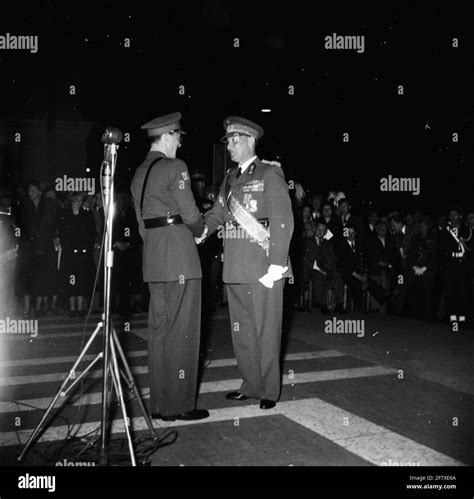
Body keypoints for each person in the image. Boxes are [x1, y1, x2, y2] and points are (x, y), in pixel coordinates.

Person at [200, 116, 294, 409]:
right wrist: (199, 231)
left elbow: (282, 220)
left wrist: (276, 265)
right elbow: (216, 215)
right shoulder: (229, 178)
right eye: (227, 140)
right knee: (241, 331)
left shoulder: (269, 173)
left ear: (251, 141)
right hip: (236, 268)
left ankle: (268, 390)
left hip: (263, 267)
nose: (229, 145)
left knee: (265, 330)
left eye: (234, 140)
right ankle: (250, 384)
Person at [130, 112, 209, 421]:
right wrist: (201, 230)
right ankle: (180, 405)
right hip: (180, 259)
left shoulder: (139, 173)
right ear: (166, 136)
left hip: (154, 259)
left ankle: (161, 405)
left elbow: (140, 225)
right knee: (183, 333)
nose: (179, 142)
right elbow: (190, 214)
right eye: (177, 136)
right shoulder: (175, 167)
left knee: (160, 332)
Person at [58, 193, 96, 317]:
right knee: (71, 281)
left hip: (83, 254)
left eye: (80, 200)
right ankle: (72, 308)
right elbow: (63, 234)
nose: (78, 203)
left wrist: (86, 249)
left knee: (81, 281)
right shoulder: (65, 215)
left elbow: (90, 234)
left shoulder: (87, 215)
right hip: (70, 254)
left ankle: (80, 308)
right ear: (72, 201)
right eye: (76, 200)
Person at [302, 221, 345, 314]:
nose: (320, 231)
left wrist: (329, 267)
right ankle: (323, 305)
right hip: (311, 269)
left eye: (323, 230)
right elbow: (304, 259)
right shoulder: (306, 241)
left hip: (325, 268)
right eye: (318, 229)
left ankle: (339, 304)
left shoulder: (328, 243)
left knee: (338, 276)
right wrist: (320, 269)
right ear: (314, 229)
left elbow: (333, 258)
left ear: (326, 232)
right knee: (319, 276)